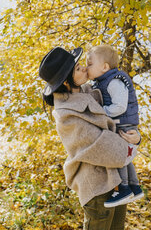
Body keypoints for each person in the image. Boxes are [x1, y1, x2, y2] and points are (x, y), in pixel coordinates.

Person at [39, 46, 141, 230]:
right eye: (78, 69)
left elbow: (122, 118)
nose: (85, 68)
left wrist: (135, 137)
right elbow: (99, 144)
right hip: (97, 185)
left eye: (81, 65)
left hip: (116, 179)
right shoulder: (65, 114)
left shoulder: (90, 91)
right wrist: (130, 148)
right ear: (66, 82)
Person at [86, 44, 144, 208]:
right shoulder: (105, 80)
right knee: (126, 158)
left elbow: (119, 107)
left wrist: (101, 112)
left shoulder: (113, 81)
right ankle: (135, 186)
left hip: (123, 123)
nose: (87, 68)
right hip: (124, 122)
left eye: (90, 64)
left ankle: (123, 188)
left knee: (118, 156)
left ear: (104, 67)